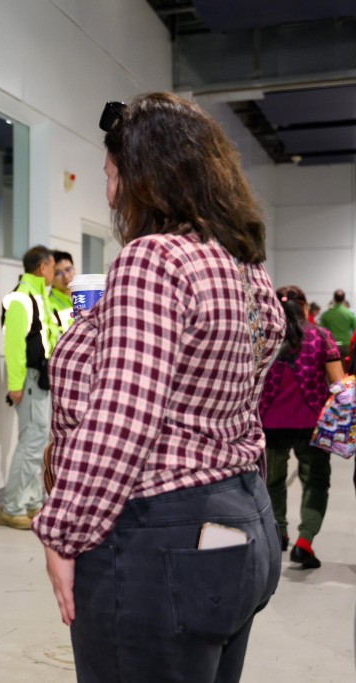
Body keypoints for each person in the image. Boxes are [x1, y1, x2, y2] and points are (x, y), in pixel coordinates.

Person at [34, 93, 286, 683]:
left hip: (161, 533)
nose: (109, 191)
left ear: (148, 176)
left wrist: (62, 530)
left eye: (112, 174)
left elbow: (124, 417)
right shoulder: (245, 266)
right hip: (243, 517)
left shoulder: (154, 260)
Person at [259, 285, 343, 568]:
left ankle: (277, 531)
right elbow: (339, 384)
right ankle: (305, 541)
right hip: (312, 425)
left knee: (272, 481)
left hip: (269, 424)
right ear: (306, 307)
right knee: (316, 482)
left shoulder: (263, 336)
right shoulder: (321, 336)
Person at [0, 245, 59, 529]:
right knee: (31, 444)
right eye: (51, 267)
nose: (54, 272)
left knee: (37, 443)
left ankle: (33, 501)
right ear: (41, 267)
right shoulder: (22, 298)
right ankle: (12, 506)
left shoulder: (37, 296)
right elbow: (14, 346)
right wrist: (16, 384)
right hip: (30, 382)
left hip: (40, 381)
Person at [319, 289, 356, 358]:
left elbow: (320, 331)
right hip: (346, 345)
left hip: (331, 345)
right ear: (343, 299)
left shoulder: (326, 314)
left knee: (332, 366)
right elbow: (355, 330)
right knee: (345, 366)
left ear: (334, 298)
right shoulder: (349, 314)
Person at [50, 250, 76, 332]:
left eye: (68, 269)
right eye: (58, 273)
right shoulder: (48, 305)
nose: (66, 276)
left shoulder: (83, 298)